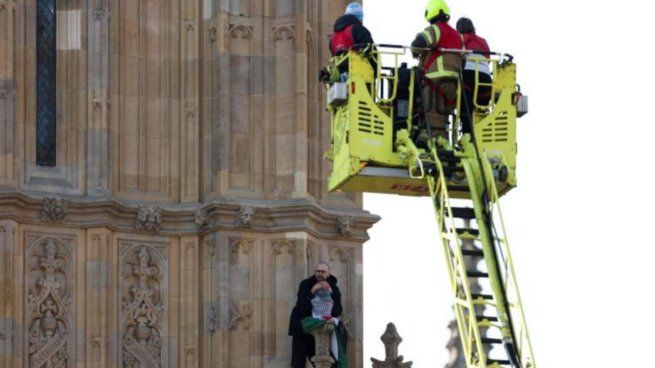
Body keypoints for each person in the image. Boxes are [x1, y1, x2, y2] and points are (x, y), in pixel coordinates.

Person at [411, 0, 463, 144]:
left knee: (432, 112)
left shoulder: (434, 29)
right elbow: (463, 58)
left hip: (435, 80)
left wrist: (415, 50)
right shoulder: (459, 36)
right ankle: (442, 141)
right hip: (454, 83)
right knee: (442, 115)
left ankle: (432, 142)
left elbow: (418, 44)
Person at [289, 262, 344, 368]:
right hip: (302, 329)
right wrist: (313, 290)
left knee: (329, 362)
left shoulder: (334, 288)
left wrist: (330, 292)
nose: (319, 274)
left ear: (328, 273)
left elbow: (337, 311)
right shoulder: (306, 284)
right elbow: (301, 307)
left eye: (323, 272)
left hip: (323, 330)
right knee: (298, 363)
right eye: (317, 271)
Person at [457, 17, 492, 134]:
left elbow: (456, 57)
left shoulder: (460, 39)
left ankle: (467, 135)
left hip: (468, 76)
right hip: (486, 80)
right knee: (481, 110)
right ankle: (480, 134)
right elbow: (488, 59)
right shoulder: (483, 41)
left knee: (465, 107)